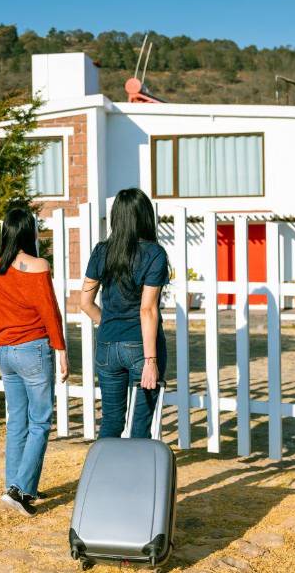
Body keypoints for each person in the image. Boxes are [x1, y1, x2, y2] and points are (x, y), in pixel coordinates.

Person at [0, 207, 69, 517]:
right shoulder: (39, 265)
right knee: (41, 420)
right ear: (29, 233)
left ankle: (15, 485)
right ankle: (19, 489)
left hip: (4, 351)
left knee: (17, 420)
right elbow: (49, 311)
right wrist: (61, 350)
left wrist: (5, 329)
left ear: (7, 232)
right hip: (33, 348)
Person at [80, 188, 169, 439]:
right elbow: (148, 309)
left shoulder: (101, 251)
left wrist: (108, 323)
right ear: (145, 216)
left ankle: (106, 477)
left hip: (107, 346)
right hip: (141, 348)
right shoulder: (154, 254)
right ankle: (134, 478)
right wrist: (151, 362)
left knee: (110, 422)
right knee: (140, 427)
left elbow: (85, 302)